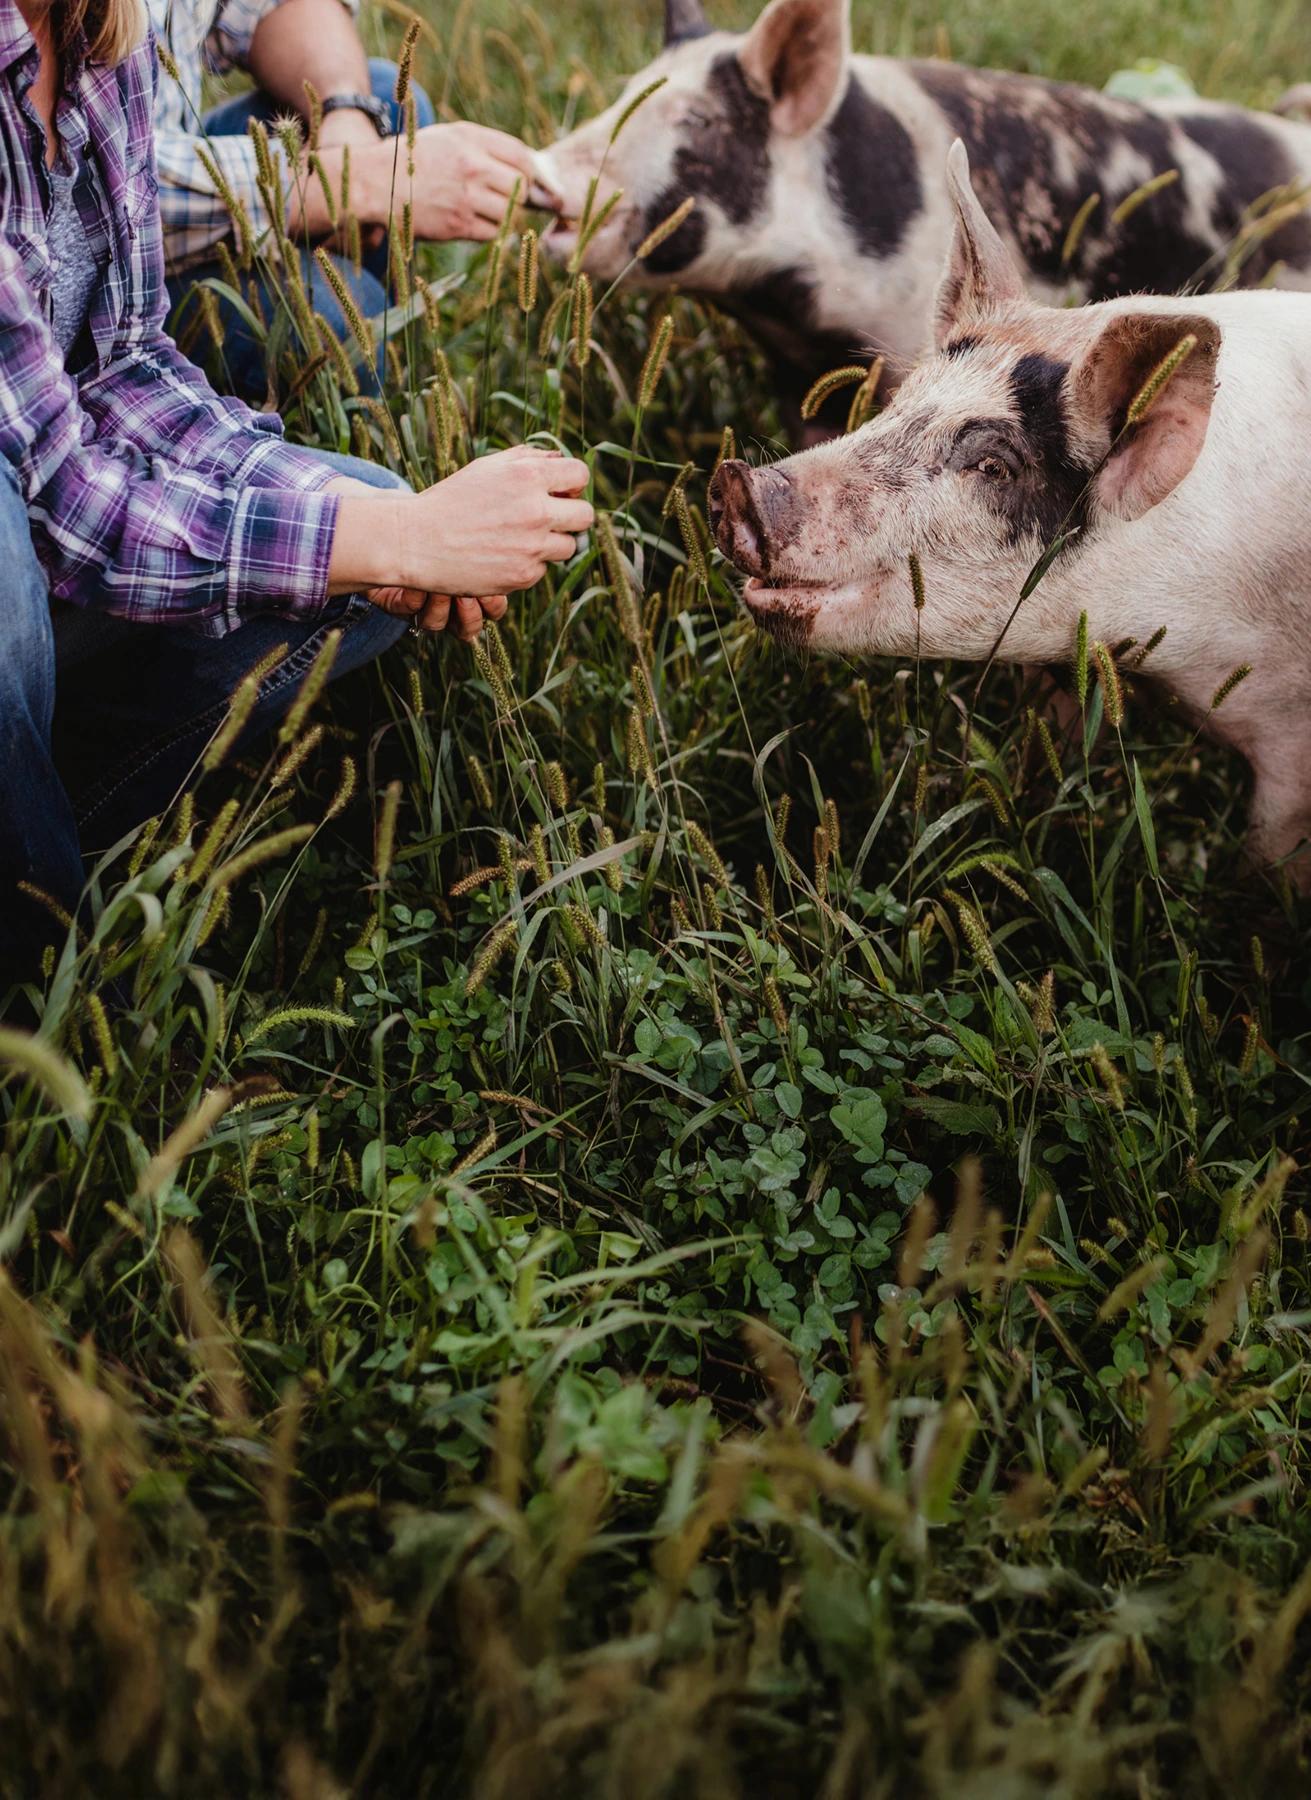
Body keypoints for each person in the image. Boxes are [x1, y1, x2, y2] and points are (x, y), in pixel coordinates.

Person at [0, 0, 593, 986]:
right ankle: (32, 979)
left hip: (49, 457)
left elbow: (125, 365)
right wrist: (390, 537)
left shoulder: (98, 28)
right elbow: (67, 499)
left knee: (361, 554)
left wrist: (389, 525)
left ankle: (52, 829)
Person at [151, 0, 549, 397]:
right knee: (344, 320)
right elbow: (119, 196)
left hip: (179, 160)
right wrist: (358, 182)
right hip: (125, 285)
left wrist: (344, 111)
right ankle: (348, 398)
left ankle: (375, 383)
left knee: (393, 104)